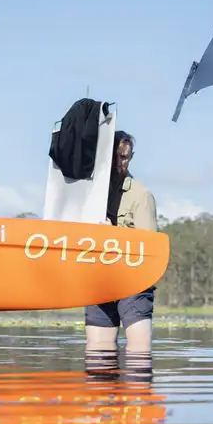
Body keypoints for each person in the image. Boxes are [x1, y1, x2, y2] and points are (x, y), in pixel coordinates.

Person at [85, 130, 159, 356]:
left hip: (133, 283)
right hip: (99, 281)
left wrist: (112, 236)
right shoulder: (90, 192)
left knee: (139, 357)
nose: (120, 162)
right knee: (97, 358)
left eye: (125, 157)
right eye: (116, 156)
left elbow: (148, 249)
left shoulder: (141, 195)